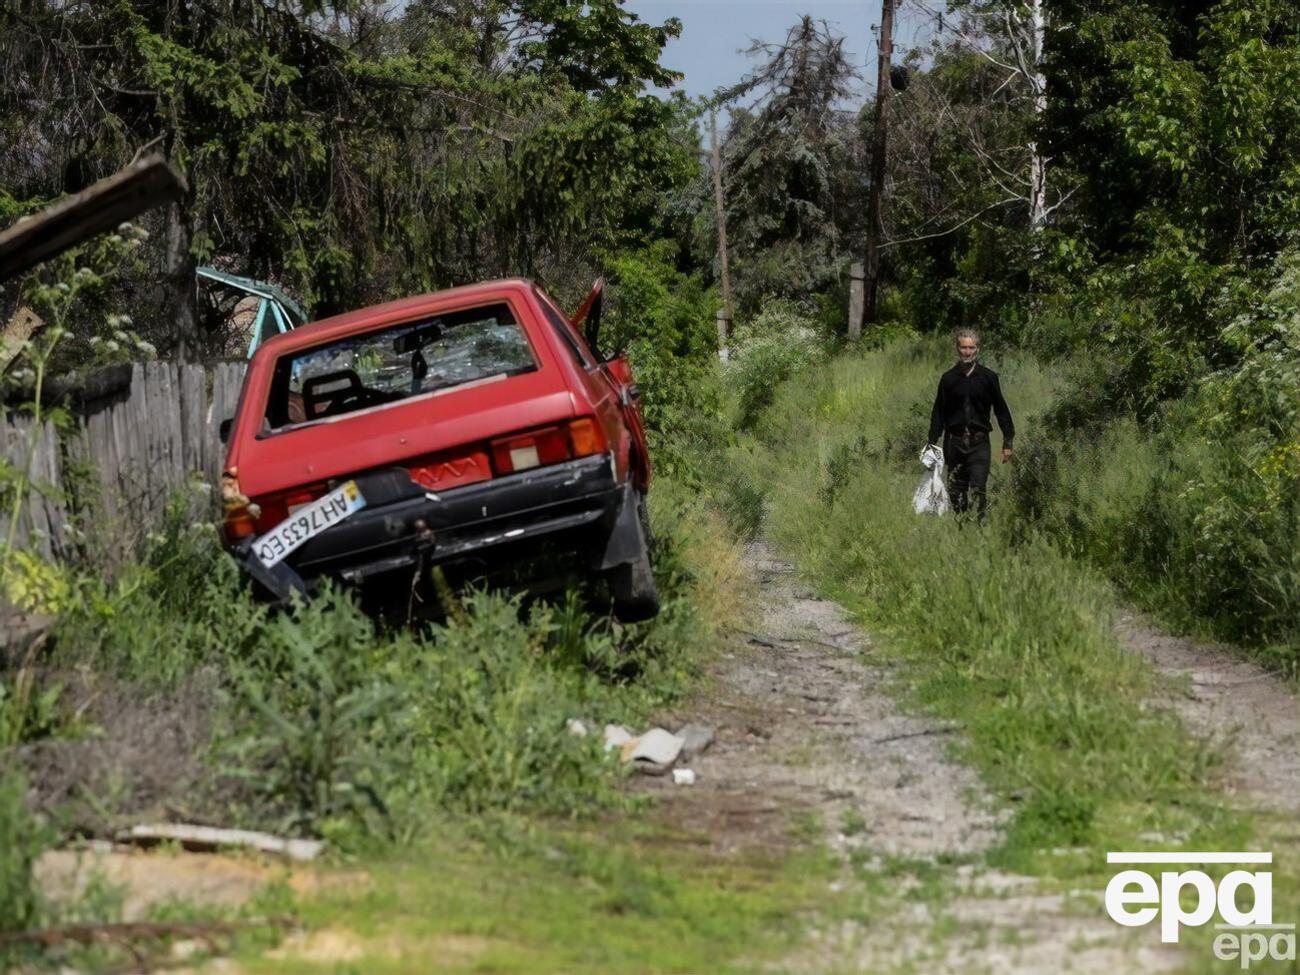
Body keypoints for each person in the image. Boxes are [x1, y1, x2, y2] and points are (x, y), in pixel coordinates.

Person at [926, 328, 1015, 518]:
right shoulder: (948, 379)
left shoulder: (988, 377)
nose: (967, 352)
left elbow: (1001, 409)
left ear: (977, 349)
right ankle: (961, 527)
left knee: (978, 488)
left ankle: (978, 526)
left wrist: (1008, 440)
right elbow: (939, 412)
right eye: (963, 347)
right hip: (954, 442)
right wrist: (932, 442)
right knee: (956, 490)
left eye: (971, 347)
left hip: (979, 443)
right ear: (957, 349)